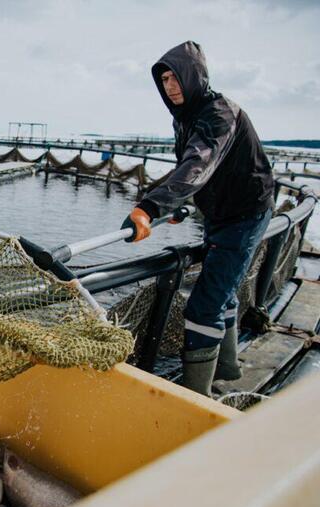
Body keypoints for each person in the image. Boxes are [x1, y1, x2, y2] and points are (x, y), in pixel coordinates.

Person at [121, 41, 274, 396]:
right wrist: (177, 204)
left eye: (175, 78)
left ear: (194, 77)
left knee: (204, 305)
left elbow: (198, 165)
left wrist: (152, 208)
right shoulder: (186, 117)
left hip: (246, 214)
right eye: (163, 80)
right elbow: (189, 169)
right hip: (219, 214)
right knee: (223, 289)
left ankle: (196, 398)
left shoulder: (219, 114)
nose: (169, 87)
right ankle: (228, 367)